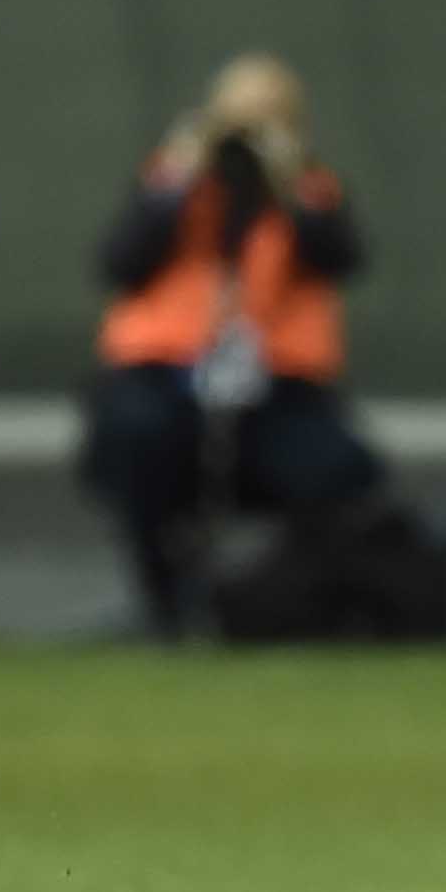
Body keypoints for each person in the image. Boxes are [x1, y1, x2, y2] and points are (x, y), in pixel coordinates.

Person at [81, 52, 380, 637]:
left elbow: (339, 257)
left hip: (279, 387)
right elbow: (121, 260)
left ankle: (285, 607)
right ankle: (166, 608)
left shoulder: (312, 191)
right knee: (136, 437)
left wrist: (289, 177)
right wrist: (180, 171)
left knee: (334, 469)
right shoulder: (172, 183)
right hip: (167, 377)